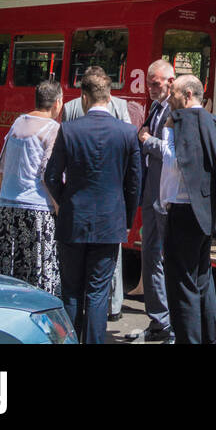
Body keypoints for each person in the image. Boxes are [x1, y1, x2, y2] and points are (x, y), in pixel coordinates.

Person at [146, 74, 216, 345]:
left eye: (174, 93)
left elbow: (173, 165)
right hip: (206, 214)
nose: (171, 99)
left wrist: (163, 132)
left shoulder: (181, 124)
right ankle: (211, 339)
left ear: (188, 95)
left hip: (182, 212)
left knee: (182, 285)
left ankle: (189, 340)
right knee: (202, 280)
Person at [44, 66, 141, 345]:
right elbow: (134, 183)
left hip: (73, 218)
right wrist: (124, 218)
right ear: (109, 98)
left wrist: (66, 202)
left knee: (71, 289)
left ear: (83, 98)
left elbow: (51, 175)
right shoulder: (127, 133)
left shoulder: (69, 130)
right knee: (98, 292)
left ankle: (71, 341)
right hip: (110, 221)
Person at [63, 66, 131, 322]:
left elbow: (55, 170)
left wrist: (63, 202)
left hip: (76, 203)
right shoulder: (72, 108)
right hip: (110, 206)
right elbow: (132, 172)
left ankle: (112, 307)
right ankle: (110, 309)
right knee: (101, 281)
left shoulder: (73, 110)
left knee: (72, 283)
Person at [0, 80, 64, 294]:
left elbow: (2, 166)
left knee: (9, 270)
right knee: (37, 274)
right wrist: (58, 206)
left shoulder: (17, 123)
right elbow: (47, 175)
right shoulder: (53, 129)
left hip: (7, 206)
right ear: (57, 103)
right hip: (37, 210)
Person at [126, 57, 175, 342]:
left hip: (166, 195)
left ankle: (171, 323)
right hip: (151, 194)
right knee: (150, 257)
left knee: (167, 258)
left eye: (154, 84)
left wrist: (147, 141)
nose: (149, 88)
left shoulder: (175, 109)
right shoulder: (156, 106)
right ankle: (158, 321)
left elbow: (173, 152)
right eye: (148, 83)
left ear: (170, 81)